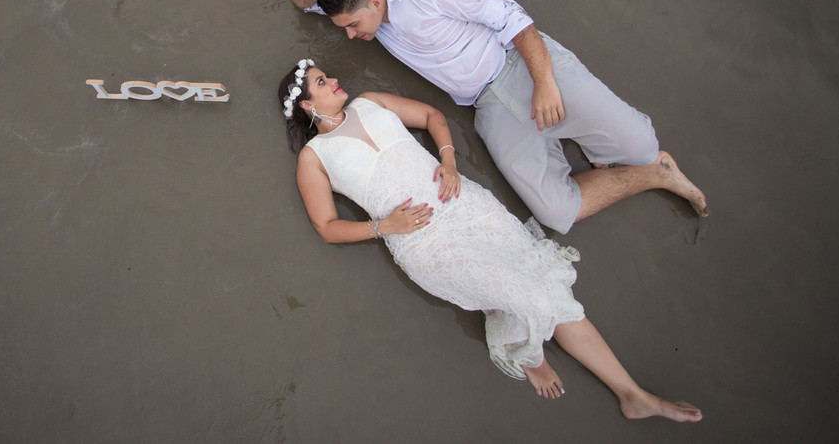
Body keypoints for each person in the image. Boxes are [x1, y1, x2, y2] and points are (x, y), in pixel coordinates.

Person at [278, 59, 702, 421]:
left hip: (466, 204)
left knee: (549, 291)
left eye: (327, 75)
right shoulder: (315, 157)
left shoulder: (369, 101)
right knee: (532, 298)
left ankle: (633, 394)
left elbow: (432, 117)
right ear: (307, 105)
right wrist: (384, 227)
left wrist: (448, 162)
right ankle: (529, 356)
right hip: (424, 242)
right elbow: (326, 226)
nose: (333, 81)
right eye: (321, 82)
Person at [290, 0, 707, 234]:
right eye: (343, 26)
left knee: (642, 145)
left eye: (353, 24)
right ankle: (656, 173)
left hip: (521, 67)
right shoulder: (360, 5)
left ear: (377, 0)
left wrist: (544, 81)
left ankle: (608, 147)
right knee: (556, 215)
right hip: (488, 107)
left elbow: (511, 16)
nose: (350, 35)